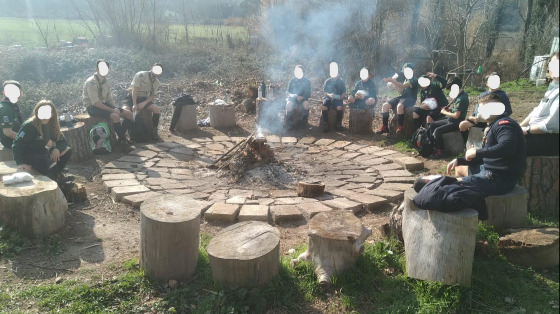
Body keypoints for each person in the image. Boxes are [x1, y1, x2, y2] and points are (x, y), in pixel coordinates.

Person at [447, 93, 526, 197]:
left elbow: (507, 147)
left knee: (450, 185)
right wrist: (459, 160)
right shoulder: (495, 124)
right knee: (459, 167)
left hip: (498, 179)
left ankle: (474, 201)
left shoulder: (505, 125)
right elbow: (489, 154)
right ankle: (473, 196)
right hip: (488, 170)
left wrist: (476, 152)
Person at [12, 100, 72, 183]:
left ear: (52, 113)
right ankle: (55, 183)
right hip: (31, 154)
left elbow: (63, 141)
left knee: (67, 150)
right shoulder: (29, 125)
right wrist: (20, 162)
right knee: (52, 165)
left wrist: (57, 149)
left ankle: (57, 175)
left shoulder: (53, 124)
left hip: (44, 151)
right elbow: (17, 144)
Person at [83, 59, 133, 148]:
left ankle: (121, 137)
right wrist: (113, 110)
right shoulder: (92, 82)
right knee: (115, 116)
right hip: (93, 107)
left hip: (104, 104)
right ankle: (123, 141)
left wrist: (116, 108)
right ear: (97, 69)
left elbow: (109, 99)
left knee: (128, 114)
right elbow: (95, 103)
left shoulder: (105, 81)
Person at [519, 52, 559, 156]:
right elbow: (535, 112)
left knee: (508, 144)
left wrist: (526, 130)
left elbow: (550, 125)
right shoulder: (553, 87)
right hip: (536, 134)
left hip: (549, 139)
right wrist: (519, 127)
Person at [427, 77, 469, 159]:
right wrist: (450, 109)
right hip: (451, 120)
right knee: (432, 125)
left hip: (457, 122)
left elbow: (457, 115)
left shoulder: (461, 98)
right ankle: (431, 147)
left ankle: (441, 152)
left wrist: (445, 112)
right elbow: (457, 110)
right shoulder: (458, 96)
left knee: (437, 131)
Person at [378, 63, 419, 135]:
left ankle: (400, 127)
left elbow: (403, 86)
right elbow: (402, 91)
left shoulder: (414, 80)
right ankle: (385, 127)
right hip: (403, 97)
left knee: (400, 106)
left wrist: (393, 81)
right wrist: (394, 86)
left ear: (413, 71)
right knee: (385, 106)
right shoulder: (406, 79)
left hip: (410, 98)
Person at [126, 63, 163, 141]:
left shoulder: (157, 82)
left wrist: (144, 103)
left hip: (143, 99)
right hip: (131, 97)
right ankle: (126, 136)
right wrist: (134, 104)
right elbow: (134, 90)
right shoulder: (141, 75)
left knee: (156, 110)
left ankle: (154, 132)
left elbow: (152, 96)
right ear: (152, 68)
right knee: (126, 111)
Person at [322, 62, 346, 132]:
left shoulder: (341, 81)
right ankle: (325, 123)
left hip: (338, 98)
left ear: (338, 74)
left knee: (339, 107)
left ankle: (338, 124)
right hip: (328, 98)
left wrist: (341, 97)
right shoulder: (327, 81)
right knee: (324, 107)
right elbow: (325, 92)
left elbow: (344, 92)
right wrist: (329, 95)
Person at [285, 65, 311, 129]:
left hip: (303, 98)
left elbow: (308, 92)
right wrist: (294, 96)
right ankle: (290, 123)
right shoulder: (292, 81)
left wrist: (303, 97)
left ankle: (303, 123)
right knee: (288, 105)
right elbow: (288, 92)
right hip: (293, 98)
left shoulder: (306, 81)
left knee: (306, 104)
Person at [0, 80, 24, 150]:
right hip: (10, 141)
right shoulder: (5, 109)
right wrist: (25, 139)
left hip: (18, 136)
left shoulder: (12, 105)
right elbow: (8, 132)